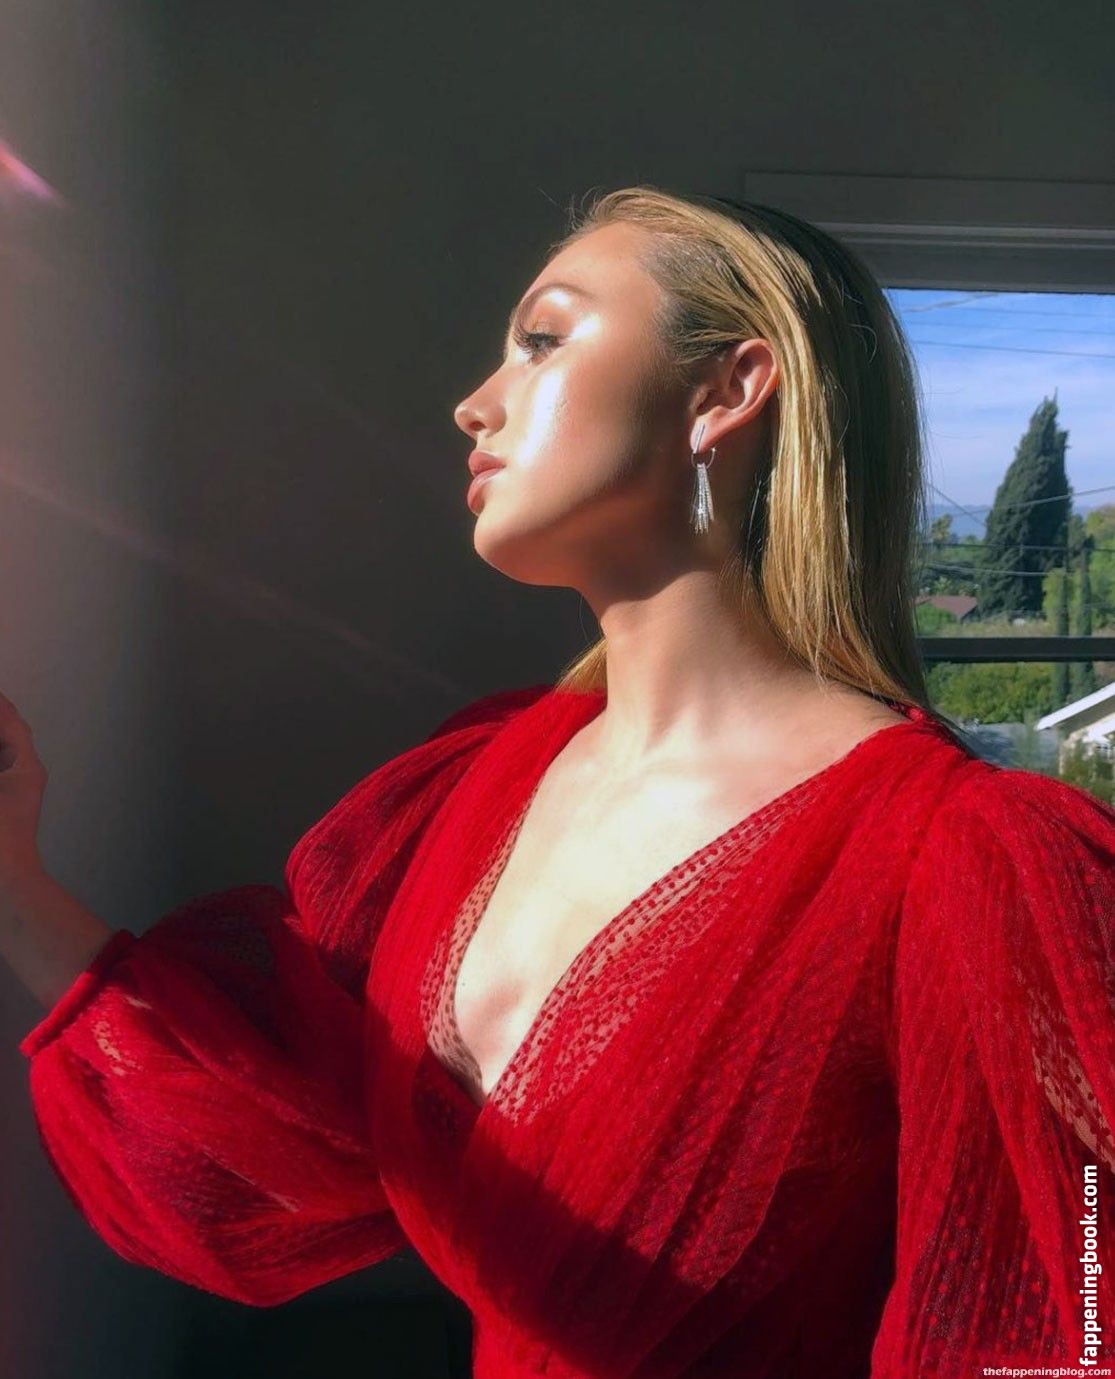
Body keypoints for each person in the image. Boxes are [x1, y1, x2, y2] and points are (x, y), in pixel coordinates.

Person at [3, 184, 1113, 1379]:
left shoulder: (962, 859)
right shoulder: (471, 785)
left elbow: (1064, 1317)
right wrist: (16, 882)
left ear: (727, 390)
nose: (473, 402)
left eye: (541, 338)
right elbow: (281, 1126)